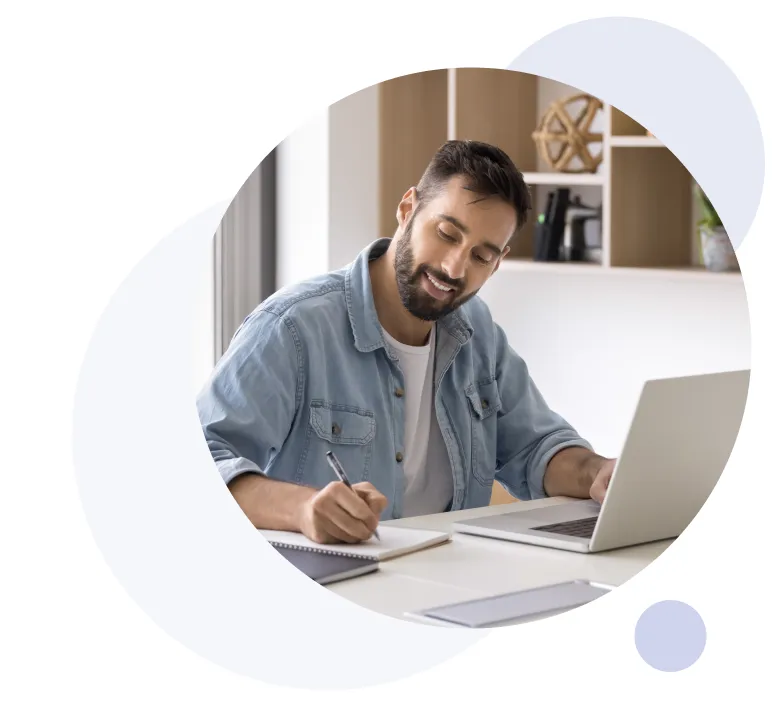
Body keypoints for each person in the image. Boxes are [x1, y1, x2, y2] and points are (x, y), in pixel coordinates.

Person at [196, 139, 616, 545]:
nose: (454, 267)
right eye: (448, 234)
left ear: (498, 262)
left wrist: (598, 473)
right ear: (407, 209)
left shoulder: (477, 332)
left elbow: (536, 447)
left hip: (449, 580)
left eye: (481, 256)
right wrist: (303, 509)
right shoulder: (292, 327)